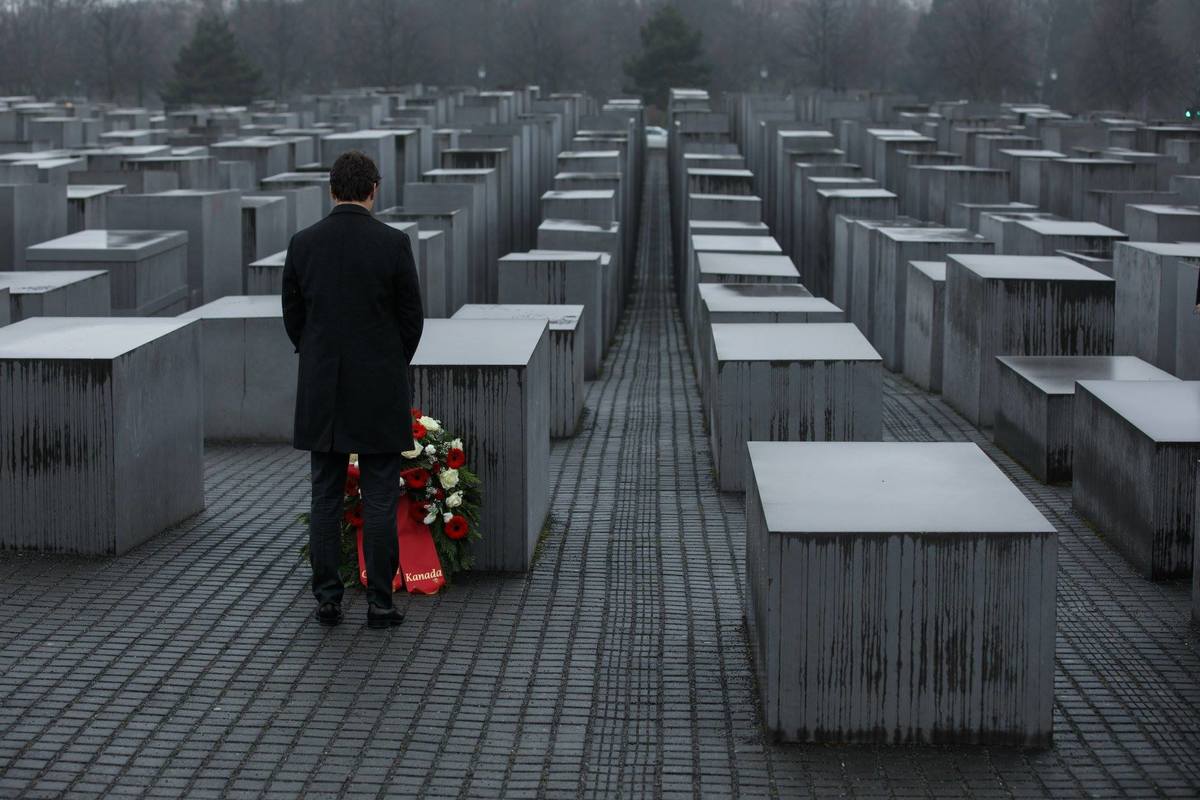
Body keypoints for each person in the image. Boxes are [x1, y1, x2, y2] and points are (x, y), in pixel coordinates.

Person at [282, 150, 424, 629]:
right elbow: (411, 320)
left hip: (323, 388)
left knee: (325, 496)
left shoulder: (303, 243)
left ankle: (327, 598)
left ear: (331, 189)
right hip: (379, 389)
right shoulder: (393, 243)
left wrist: (320, 358)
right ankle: (380, 603)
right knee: (381, 496)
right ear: (373, 189)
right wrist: (388, 364)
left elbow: (293, 317)